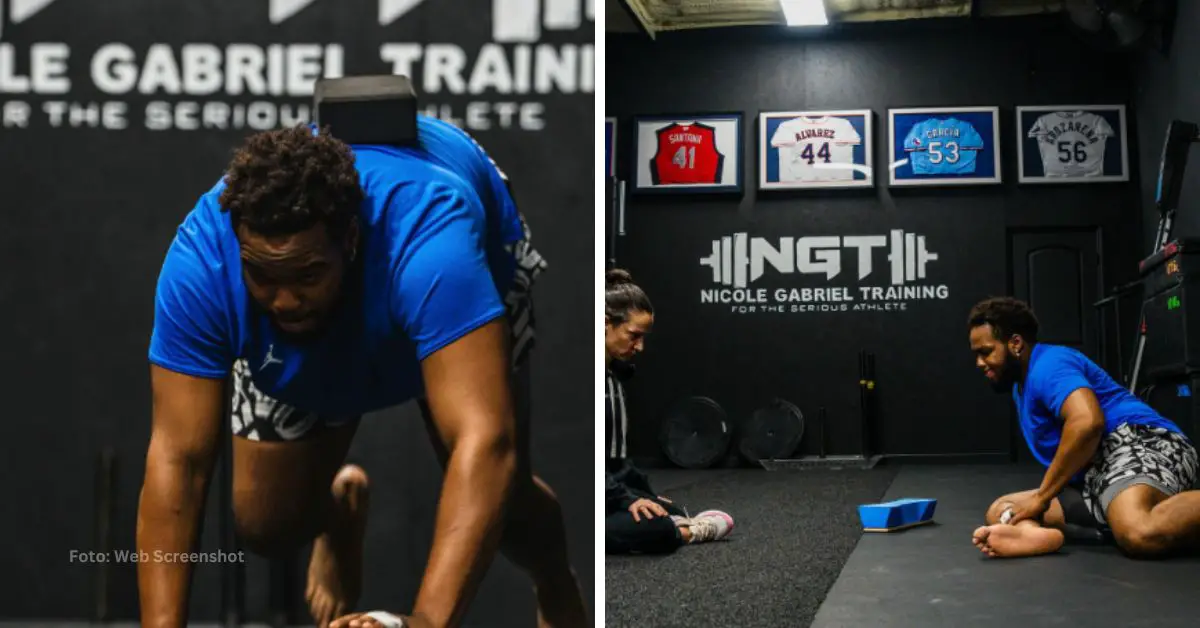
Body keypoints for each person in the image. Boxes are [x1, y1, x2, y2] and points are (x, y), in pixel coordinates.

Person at [138, 117, 588, 628]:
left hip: (454, 285)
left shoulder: (431, 239)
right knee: (265, 524)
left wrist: (422, 622)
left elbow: (486, 442)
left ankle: (555, 581)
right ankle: (338, 513)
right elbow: (179, 460)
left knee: (508, 510)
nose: (284, 300)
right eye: (262, 275)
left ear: (350, 239)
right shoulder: (201, 262)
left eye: (307, 273)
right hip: (327, 331)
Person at [966, 296, 1200, 560]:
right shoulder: (1021, 387)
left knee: (1139, 531)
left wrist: (1042, 497)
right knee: (1003, 509)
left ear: (1016, 343)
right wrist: (1039, 501)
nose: (979, 363)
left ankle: (1127, 515)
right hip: (1098, 475)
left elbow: (1088, 423)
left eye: (985, 352)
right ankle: (1034, 535)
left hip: (1143, 443)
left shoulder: (1049, 365)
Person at [603, 269, 734, 555]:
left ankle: (670, 526)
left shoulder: (612, 378)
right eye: (633, 336)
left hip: (607, 490)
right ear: (604, 325)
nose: (640, 347)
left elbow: (615, 462)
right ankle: (681, 534)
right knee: (657, 526)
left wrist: (644, 495)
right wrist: (625, 500)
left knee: (665, 509)